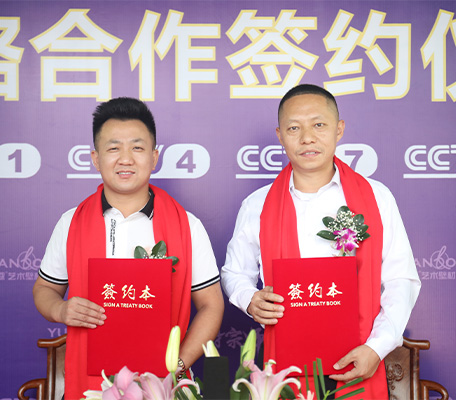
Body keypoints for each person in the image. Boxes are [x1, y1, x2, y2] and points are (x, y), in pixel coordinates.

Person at [221, 84, 421, 399]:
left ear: (339, 129)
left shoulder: (376, 197)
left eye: (318, 125)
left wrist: (376, 348)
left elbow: (401, 280)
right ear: (280, 135)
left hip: (360, 355)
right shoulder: (257, 205)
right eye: (294, 128)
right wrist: (249, 298)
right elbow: (234, 272)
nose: (307, 138)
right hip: (287, 363)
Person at [33, 97, 224, 399]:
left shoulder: (187, 225)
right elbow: (45, 289)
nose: (125, 159)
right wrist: (61, 309)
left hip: (161, 383)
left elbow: (211, 305)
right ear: (95, 158)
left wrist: (176, 365)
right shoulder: (71, 222)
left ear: (154, 157)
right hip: (90, 382)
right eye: (113, 148)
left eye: (137, 148)